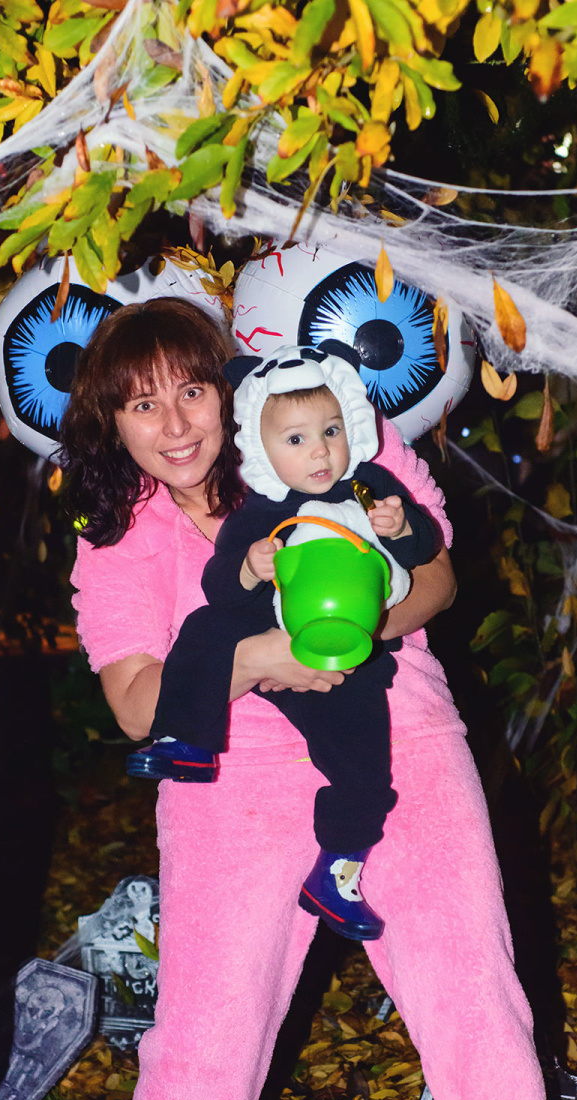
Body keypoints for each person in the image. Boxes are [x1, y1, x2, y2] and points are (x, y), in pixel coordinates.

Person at [62, 296, 576, 1100]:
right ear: (112, 424)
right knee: (207, 1024)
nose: (175, 423)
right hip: (229, 774)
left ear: (227, 382)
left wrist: (353, 633)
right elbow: (133, 701)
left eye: (190, 388)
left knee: (474, 996)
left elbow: (435, 575)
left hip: (398, 733)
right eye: (139, 404)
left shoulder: (324, 421)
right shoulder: (118, 539)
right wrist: (261, 659)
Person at [125, 342, 444, 942]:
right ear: (262, 450)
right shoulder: (262, 511)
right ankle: (185, 739)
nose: (319, 451)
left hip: (351, 661)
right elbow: (219, 588)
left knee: (367, 769)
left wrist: (403, 527)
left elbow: (423, 553)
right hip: (273, 632)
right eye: (294, 440)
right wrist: (250, 565)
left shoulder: (371, 487)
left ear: (351, 424)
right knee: (204, 628)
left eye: (329, 431)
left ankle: (337, 872)